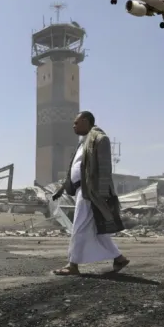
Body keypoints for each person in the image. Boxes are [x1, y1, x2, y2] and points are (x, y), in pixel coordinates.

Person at [51, 111, 130, 275]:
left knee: (79, 225)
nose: (73, 126)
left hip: (90, 191)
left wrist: (102, 194)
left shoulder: (100, 139)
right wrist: (62, 189)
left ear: (86, 121)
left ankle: (72, 265)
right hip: (82, 190)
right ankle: (119, 258)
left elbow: (105, 169)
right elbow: (75, 169)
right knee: (96, 228)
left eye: (76, 122)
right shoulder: (83, 142)